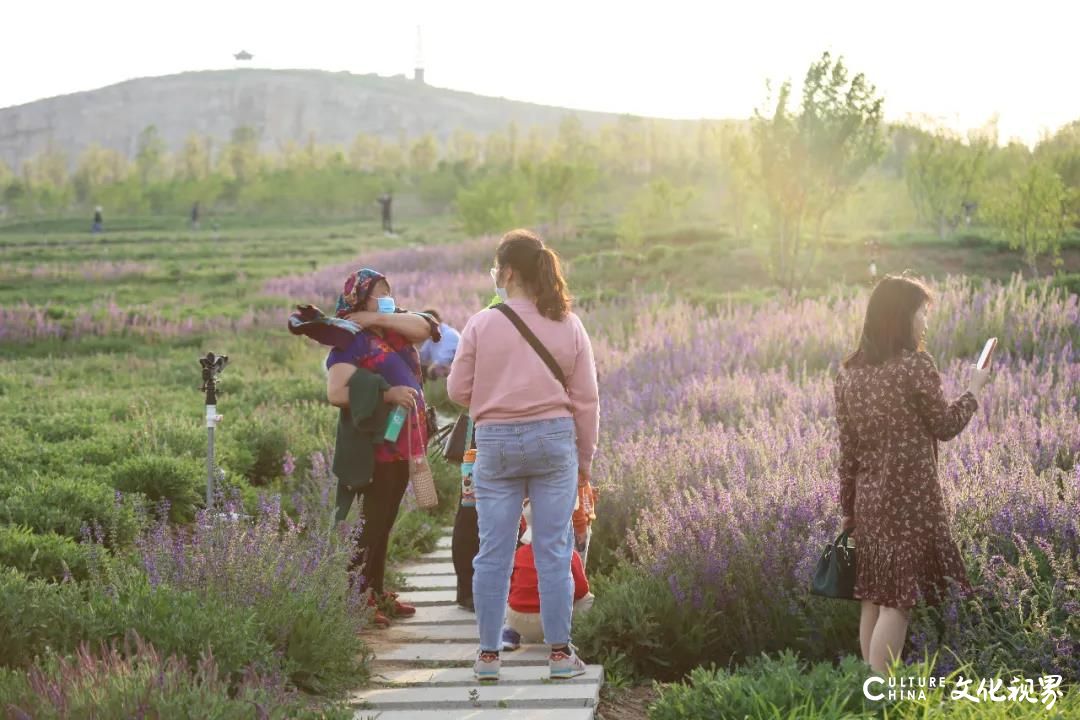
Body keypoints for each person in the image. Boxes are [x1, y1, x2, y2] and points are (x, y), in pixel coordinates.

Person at [447, 228, 599, 682]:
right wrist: (585, 460)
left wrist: (493, 400)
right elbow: (587, 399)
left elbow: (456, 390)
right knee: (554, 550)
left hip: (496, 443)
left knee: (492, 552)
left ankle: (489, 656)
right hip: (554, 442)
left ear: (508, 272)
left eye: (497, 268)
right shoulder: (568, 323)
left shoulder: (481, 322)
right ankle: (558, 655)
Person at [834, 274, 992, 674]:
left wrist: (849, 509)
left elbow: (847, 451)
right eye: (922, 312)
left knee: (873, 597)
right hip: (909, 503)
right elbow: (944, 425)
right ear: (900, 316)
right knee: (898, 604)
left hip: (870, 502)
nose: (925, 321)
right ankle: (880, 696)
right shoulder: (914, 366)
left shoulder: (849, 374)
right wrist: (974, 390)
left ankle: (863, 690)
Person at [325, 268, 438, 626]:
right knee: (372, 524)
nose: (388, 297)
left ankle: (375, 592)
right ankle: (357, 599)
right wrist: (387, 393)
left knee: (385, 520)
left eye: (389, 291)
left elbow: (427, 326)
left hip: (403, 441)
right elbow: (337, 392)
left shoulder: (392, 328)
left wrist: (375, 316)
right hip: (378, 444)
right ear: (360, 297)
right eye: (379, 292)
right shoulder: (350, 341)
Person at [502, 499, 594, 651]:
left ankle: (510, 634)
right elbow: (581, 591)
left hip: (518, 619)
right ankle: (565, 636)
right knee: (587, 599)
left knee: (508, 595)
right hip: (549, 622)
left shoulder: (518, 555)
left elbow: (508, 587)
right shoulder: (568, 554)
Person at [419, 309, 461, 380]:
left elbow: (442, 362)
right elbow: (422, 357)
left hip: (456, 378)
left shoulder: (450, 335)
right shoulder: (432, 337)